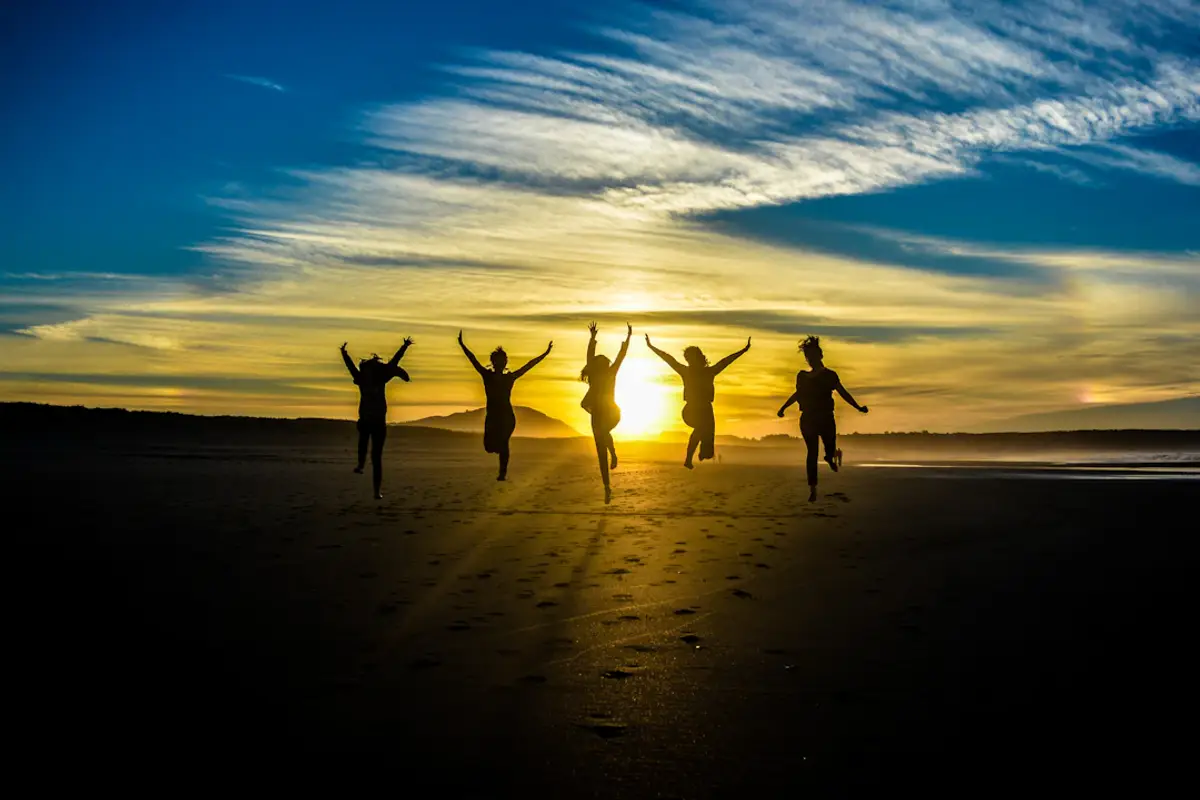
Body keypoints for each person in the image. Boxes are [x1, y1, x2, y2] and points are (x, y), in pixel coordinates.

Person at [777, 335, 868, 502]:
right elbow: (798, 394)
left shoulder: (830, 376)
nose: (810, 360)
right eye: (807, 357)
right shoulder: (802, 376)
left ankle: (829, 456)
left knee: (830, 445)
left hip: (826, 417)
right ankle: (813, 489)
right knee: (812, 452)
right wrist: (783, 407)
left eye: (812, 356)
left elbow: (843, 392)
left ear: (820, 356)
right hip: (808, 418)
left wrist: (858, 407)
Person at [646, 333, 751, 469]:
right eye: (687, 359)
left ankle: (702, 454)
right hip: (691, 410)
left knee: (707, 443)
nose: (689, 361)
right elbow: (668, 359)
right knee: (700, 428)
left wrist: (743, 350)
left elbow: (726, 361)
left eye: (691, 358)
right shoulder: (686, 371)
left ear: (698, 358)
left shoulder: (709, 372)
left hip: (706, 410)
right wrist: (651, 346)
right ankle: (688, 459)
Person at [458, 330, 553, 481]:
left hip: (507, 417)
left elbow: (528, 366)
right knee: (489, 447)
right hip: (492, 417)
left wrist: (545, 353)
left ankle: (502, 474)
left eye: (502, 361)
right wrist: (462, 344)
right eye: (497, 361)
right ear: (493, 361)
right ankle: (501, 465)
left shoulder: (510, 377)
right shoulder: (487, 375)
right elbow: (473, 360)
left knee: (503, 444)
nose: (500, 364)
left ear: (505, 363)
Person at [341, 337, 413, 499]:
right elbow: (351, 367)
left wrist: (404, 346)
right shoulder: (367, 379)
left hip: (374, 422)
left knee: (373, 454)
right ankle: (363, 471)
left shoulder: (371, 379)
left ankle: (374, 488)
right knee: (370, 451)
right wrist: (344, 354)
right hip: (371, 421)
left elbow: (393, 362)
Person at [580, 321, 631, 503]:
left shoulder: (611, 374)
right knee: (600, 451)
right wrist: (592, 338)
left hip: (611, 413)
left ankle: (613, 452)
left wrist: (628, 340)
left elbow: (620, 358)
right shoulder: (596, 375)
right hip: (598, 415)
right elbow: (590, 356)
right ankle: (607, 487)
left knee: (602, 434)